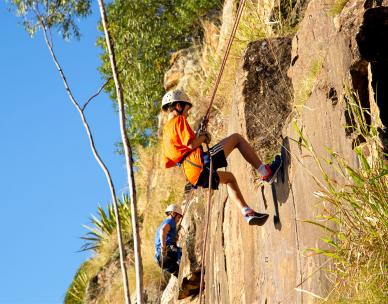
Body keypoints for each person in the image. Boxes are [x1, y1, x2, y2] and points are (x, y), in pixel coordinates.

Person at [161, 89, 282, 225]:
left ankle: (247, 212)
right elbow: (190, 145)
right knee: (236, 139)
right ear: (178, 106)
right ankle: (266, 172)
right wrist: (203, 137)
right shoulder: (178, 121)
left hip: (193, 176)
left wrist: (199, 136)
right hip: (200, 163)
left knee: (230, 179)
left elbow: (171, 159)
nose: (187, 114)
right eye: (187, 110)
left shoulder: (165, 134)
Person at [154, 204, 183, 276]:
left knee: (178, 272)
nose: (179, 219)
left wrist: (175, 236)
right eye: (179, 217)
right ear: (173, 213)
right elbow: (163, 231)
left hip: (160, 261)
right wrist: (163, 248)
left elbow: (167, 234)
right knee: (184, 254)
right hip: (166, 253)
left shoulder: (165, 223)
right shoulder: (170, 221)